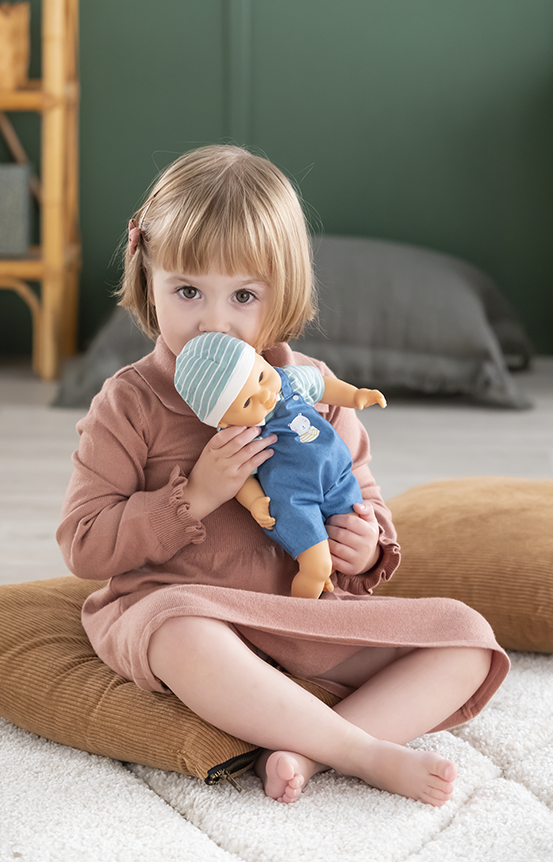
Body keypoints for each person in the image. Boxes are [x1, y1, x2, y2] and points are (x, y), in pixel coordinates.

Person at [57, 145, 509, 807]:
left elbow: (361, 495)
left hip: (298, 618)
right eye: (188, 291)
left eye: (242, 295)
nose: (214, 321)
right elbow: (84, 543)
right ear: (147, 277)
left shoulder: (313, 395)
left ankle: (303, 749)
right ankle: (360, 752)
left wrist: (364, 545)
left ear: (281, 293)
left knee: (468, 639)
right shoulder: (128, 403)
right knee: (180, 626)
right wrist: (194, 496)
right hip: (188, 615)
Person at [174, 331, 386, 599]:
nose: (264, 396)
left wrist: (355, 395)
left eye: (261, 377)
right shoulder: (239, 436)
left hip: (339, 477)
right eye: (247, 402)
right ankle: (299, 615)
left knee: (354, 532)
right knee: (317, 566)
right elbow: (239, 477)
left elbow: (323, 386)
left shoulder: (292, 379)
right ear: (224, 422)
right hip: (294, 500)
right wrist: (254, 502)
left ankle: (326, 609)